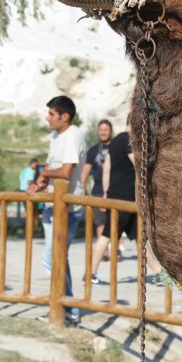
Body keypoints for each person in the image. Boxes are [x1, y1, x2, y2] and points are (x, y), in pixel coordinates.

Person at [26, 95, 86, 325]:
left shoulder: (73, 135)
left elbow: (65, 172)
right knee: (59, 257)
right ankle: (64, 307)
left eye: (51, 114)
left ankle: (66, 306)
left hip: (69, 208)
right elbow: (51, 167)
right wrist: (39, 182)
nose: (47, 118)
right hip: (53, 206)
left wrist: (45, 173)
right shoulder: (56, 136)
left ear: (64, 116)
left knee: (52, 257)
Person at [102, 125, 168, 285]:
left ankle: (161, 275)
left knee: (140, 238)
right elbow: (138, 164)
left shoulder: (115, 142)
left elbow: (106, 169)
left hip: (121, 196)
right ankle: (91, 273)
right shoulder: (126, 139)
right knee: (106, 236)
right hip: (125, 197)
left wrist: (105, 193)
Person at [82, 120, 113, 285]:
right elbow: (86, 170)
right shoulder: (93, 150)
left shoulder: (117, 147)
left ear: (111, 131)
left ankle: (106, 251)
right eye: (100, 129)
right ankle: (102, 255)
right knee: (101, 225)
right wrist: (80, 188)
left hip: (115, 192)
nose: (103, 132)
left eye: (106, 129)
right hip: (98, 192)